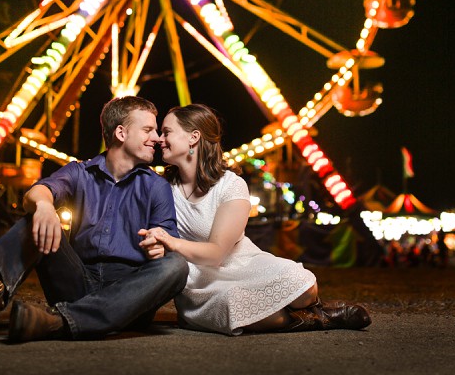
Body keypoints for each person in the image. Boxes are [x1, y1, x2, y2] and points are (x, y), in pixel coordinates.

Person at [0, 96, 188, 344]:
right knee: (34, 219)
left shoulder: (157, 186)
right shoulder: (80, 172)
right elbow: (37, 193)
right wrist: (45, 206)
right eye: (148, 130)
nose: (157, 138)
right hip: (76, 282)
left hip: (130, 296)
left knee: (176, 265)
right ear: (121, 133)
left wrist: (160, 245)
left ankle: (58, 321)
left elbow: (166, 237)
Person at [139, 103, 370, 335]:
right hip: (199, 280)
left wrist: (169, 242)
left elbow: (217, 253)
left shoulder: (231, 185)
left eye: (166, 132)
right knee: (234, 305)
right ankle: (320, 318)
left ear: (193, 137)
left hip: (242, 263)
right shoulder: (163, 187)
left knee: (303, 284)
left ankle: (308, 307)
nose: (159, 138)